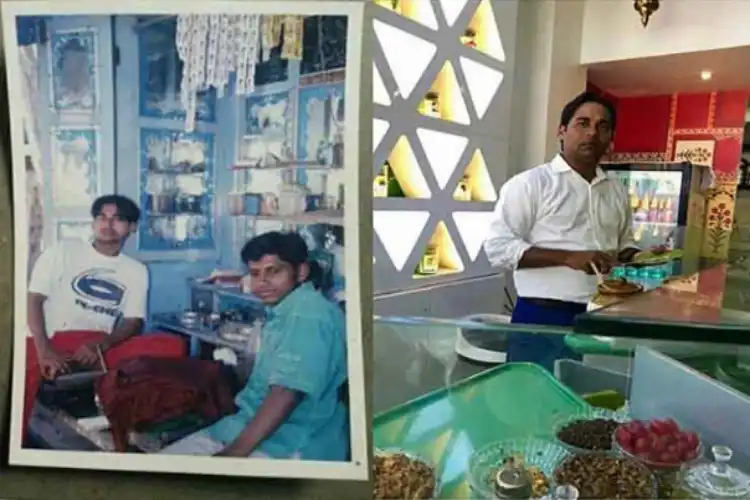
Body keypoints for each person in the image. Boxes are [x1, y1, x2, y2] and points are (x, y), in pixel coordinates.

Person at [483, 91, 642, 372]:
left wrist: (641, 256)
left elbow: (623, 243)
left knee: (590, 401)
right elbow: (498, 248)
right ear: (562, 131)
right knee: (533, 401)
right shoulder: (530, 184)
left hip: (603, 316)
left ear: (610, 138)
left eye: (603, 127)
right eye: (583, 123)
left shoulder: (616, 190)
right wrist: (568, 257)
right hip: (542, 316)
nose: (592, 133)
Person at [160, 231, 349, 461]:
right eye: (255, 273)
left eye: (274, 271)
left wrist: (234, 454)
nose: (262, 283)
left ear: (301, 272)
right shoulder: (286, 309)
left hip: (289, 444)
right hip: (244, 427)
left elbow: (285, 394)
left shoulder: (308, 315)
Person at [23, 194, 185, 443]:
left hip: (98, 344)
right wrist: (45, 350)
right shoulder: (63, 251)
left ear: (131, 227)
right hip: (51, 337)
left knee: (173, 345)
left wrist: (102, 345)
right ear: (93, 223)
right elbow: (33, 301)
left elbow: (134, 322)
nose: (107, 225)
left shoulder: (136, 270)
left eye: (117, 219)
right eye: (101, 217)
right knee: (17, 373)